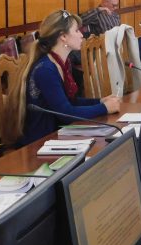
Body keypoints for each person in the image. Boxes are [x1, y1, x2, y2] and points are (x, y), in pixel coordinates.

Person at [15, 10, 120, 146]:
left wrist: (100, 101)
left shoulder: (63, 63)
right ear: (63, 36)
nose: (81, 35)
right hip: (40, 143)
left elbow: (70, 102)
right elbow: (65, 113)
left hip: (57, 135)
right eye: (76, 31)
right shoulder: (45, 69)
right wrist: (104, 108)